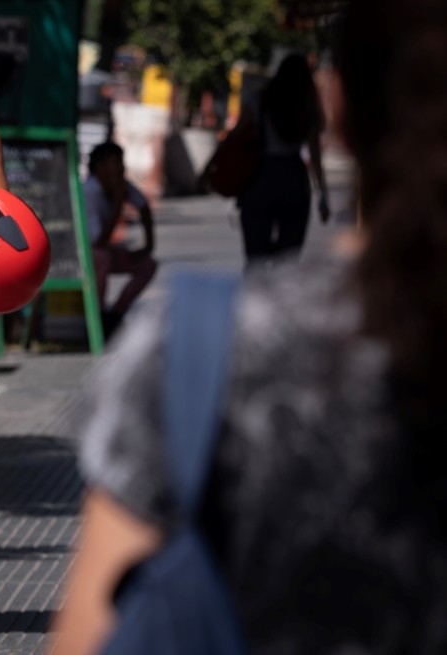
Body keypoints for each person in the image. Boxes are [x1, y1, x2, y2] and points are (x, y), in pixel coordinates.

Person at [51, 0, 447, 652]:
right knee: (283, 252)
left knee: (266, 265)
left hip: (263, 186)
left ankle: (274, 278)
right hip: (290, 182)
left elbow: (88, 632)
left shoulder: (197, 348)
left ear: (343, 105)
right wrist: (319, 188)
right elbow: (311, 150)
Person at [237, 53, 331, 265]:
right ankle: (281, 295)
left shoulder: (259, 100)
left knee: (256, 259)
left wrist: (210, 171)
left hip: (260, 178)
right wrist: (323, 196)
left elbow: (236, 137)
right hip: (293, 179)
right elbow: (315, 157)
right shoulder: (306, 108)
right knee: (288, 260)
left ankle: (256, 296)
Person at [83, 141, 157, 333]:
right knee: (101, 257)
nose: (121, 169)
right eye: (116, 164)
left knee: (147, 264)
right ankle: (97, 317)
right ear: (100, 168)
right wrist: (117, 203)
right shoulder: (90, 192)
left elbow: (143, 207)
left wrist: (148, 245)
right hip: (85, 256)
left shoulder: (120, 185)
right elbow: (98, 240)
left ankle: (116, 314)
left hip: (104, 251)